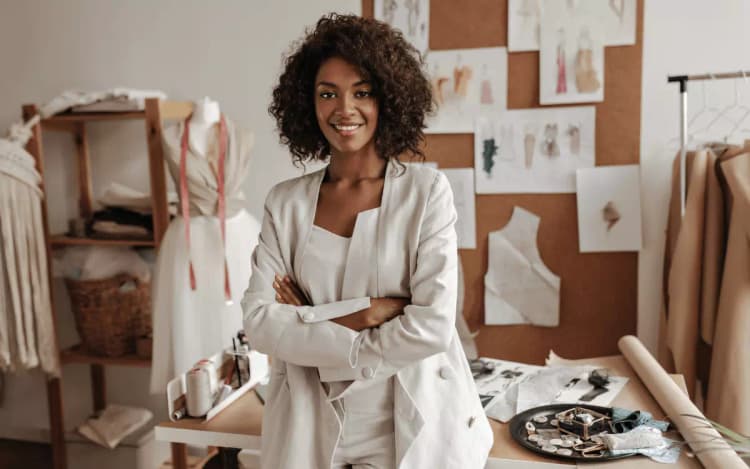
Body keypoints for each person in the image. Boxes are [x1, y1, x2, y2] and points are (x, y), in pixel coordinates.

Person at [242, 13, 492, 469]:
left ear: (388, 98)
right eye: (327, 93)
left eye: (362, 92)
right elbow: (260, 324)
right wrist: (367, 313)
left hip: (408, 426)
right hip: (310, 423)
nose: (344, 109)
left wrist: (309, 320)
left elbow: (432, 326)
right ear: (307, 103)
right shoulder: (285, 204)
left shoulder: (426, 194)